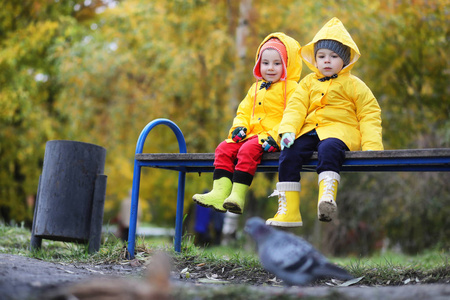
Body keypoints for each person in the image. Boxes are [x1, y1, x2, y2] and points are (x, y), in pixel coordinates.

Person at [266, 17, 383, 227]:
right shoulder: (307, 83)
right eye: (321, 56)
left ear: (345, 60)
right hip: (310, 130)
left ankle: (326, 197)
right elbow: (296, 107)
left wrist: (372, 147)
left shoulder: (354, 85)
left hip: (339, 131)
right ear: (315, 59)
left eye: (333, 56)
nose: (326, 61)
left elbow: (369, 113)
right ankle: (289, 211)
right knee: (289, 153)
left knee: (329, 148)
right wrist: (288, 131)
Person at [193, 32, 302, 214]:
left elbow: (293, 116)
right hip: (250, 134)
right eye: (265, 63)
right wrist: (239, 128)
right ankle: (219, 193)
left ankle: (237, 195)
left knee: (247, 150)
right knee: (224, 148)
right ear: (259, 64)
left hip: (271, 138)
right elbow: (243, 111)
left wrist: (276, 136)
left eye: (277, 63)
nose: (270, 68)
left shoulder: (292, 89)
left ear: (286, 65)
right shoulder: (255, 87)